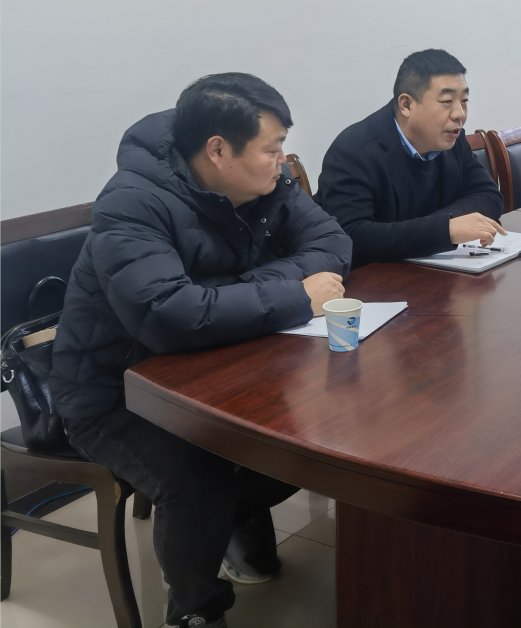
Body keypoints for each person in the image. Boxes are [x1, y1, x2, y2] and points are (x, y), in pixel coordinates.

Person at [50, 73, 352, 628]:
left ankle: (235, 521)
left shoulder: (268, 184)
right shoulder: (132, 204)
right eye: (272, 149)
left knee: (309, 445)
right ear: (218, 150)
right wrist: (293, 294)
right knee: (199, 479)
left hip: (221, 364)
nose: (283, 162)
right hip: (114, 391)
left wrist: (247, 290)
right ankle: (194, 610)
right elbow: (170, 316)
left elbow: (332, 243)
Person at [315, 48, 505, 267]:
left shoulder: (451, 138)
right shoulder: (354, 151)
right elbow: (351, 237)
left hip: (430, 269)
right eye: (447, 101)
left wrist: (442, 227)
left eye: (464, 100)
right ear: (406, 105)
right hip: (374, 279)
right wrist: (444, 229)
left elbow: (489, 196)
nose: (459, 114)